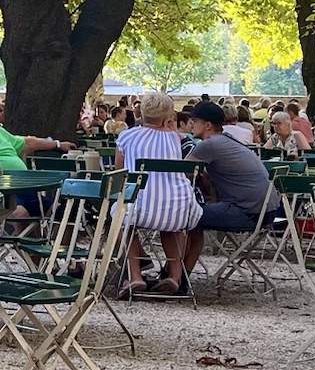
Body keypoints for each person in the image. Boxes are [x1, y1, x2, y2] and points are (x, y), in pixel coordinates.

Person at [115, 91, 203, 297]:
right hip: (179, 209)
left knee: (121, 218)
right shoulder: (176, 138)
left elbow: (120, 174)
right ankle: (174, 275)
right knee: (170, 227)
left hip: (139, 208)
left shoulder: (126, 136)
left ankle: (135, 275)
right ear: (168, 118)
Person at [179, 100, 275, 266]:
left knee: (184, 217)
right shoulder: (227, 140)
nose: (191, 125)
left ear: (207, 125)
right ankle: (177, 274)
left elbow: (180, 175)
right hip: (267, 211)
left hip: (247, 212)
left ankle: (178, 276)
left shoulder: (208, 145)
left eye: (194, 121)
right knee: (193, 215)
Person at [0, 93, 76, 172]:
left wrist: (58, 144)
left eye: (1, 111)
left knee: (54, 206)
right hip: (0, 190)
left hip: (20, 184)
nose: (0, 116)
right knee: (22, 211)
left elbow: (27, 143)